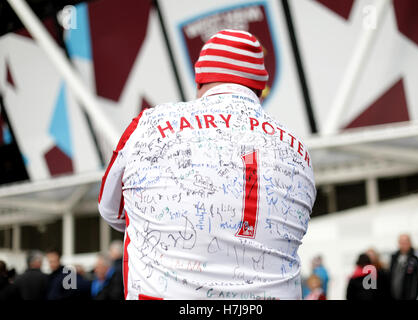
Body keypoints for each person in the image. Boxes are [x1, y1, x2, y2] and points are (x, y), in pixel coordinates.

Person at [98, 29, 316, 300]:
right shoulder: (300, 152)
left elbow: (112, 211)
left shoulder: (146, 125)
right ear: (260, 90)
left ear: (200, 81)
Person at [389, 234, 418, 300]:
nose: (403, 244)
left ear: (410, 242)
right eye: (401, 242)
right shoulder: (394, 257)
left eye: (406, 242)